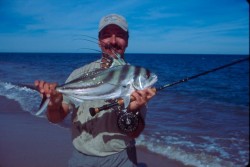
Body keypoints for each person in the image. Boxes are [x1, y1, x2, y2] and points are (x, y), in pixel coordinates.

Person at [35, 14, 155, 167]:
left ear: (127, 40)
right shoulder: (78, 74)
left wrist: (133, 110)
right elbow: (55, 118)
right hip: (81, 159)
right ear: (99, 41)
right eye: (106, 35)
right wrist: (53, 104)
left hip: (121, 159)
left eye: (119, 35)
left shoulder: (135, 76)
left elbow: (135, 133)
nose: (112, 41)